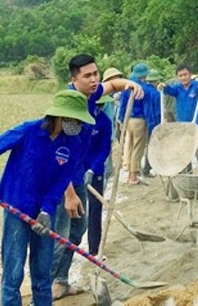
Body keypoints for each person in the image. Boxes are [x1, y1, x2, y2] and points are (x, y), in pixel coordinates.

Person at [0, 90, 94, 306]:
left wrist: (46, 210)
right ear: (61, 117)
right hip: (17, 207)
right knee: (13, 273)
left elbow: (62, 180)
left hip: (45, 213)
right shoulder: (28, 131)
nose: (80, 125)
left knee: (42, 274)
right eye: (77, 120)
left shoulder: (73, 143)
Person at [51, 54, 143, 301]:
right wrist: (69, 193)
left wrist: (130, 85)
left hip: (79, 175)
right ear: (73, 79)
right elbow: (57, 155)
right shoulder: (68, 106)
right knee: (61, 231)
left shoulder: (91, 97)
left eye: (95, 74)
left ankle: (60, 280)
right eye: (87, 76)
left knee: (77, 230)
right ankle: (47, 286)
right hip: (63, 180)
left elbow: (113, 85)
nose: (94, 80)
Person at [160, 64, 198, 174]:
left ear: (190, 75)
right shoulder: (177, 88)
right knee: (184, 153)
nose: (183, 77)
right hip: (182, 127)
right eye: (180, 75)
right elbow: (168, 90)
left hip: (196, 126)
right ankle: (187, 174)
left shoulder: (197, 86)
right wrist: (163, 86)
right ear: (178, 77)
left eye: (185, 75)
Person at [86, 94, 113, 256]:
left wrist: (92, 169)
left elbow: (104, 150)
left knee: (95, 209)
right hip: (76, 171)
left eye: (101, 105)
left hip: (95, 172)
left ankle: (94, 249)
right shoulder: (78, 119)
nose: (99, 108)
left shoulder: (104, 122)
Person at [118, 63, 150, 185]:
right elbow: (147, 107)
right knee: (138, 148)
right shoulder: (144, 88)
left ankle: (130, 174)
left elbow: (122, 105)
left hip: (128, 120)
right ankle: (133, 176)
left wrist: (121, 120)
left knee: (130, 146)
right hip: (139, 120)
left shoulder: (127, 87)